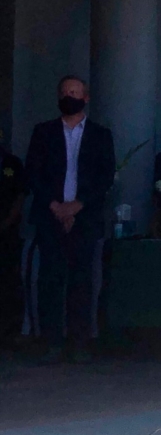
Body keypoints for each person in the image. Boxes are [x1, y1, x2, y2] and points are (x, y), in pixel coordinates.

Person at [24, 75, 115, 363]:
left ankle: (79, 342)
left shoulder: (101, 135)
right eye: (64, 92)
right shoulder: (43, 132)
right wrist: (55, 206)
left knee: (82, 280)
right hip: (49, 216)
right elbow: (33, 173)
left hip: (84, 218)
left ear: (85, 97)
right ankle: (50, 341)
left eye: (74, 92)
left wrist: (77, 206)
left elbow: (104, 177)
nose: (69, 96)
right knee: (50, 278)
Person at [0, 132, 28, 349]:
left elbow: (20, 195)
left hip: (7, 233)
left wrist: (7, 222)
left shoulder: (12, 163)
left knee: (8, 279)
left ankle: (9, 330)